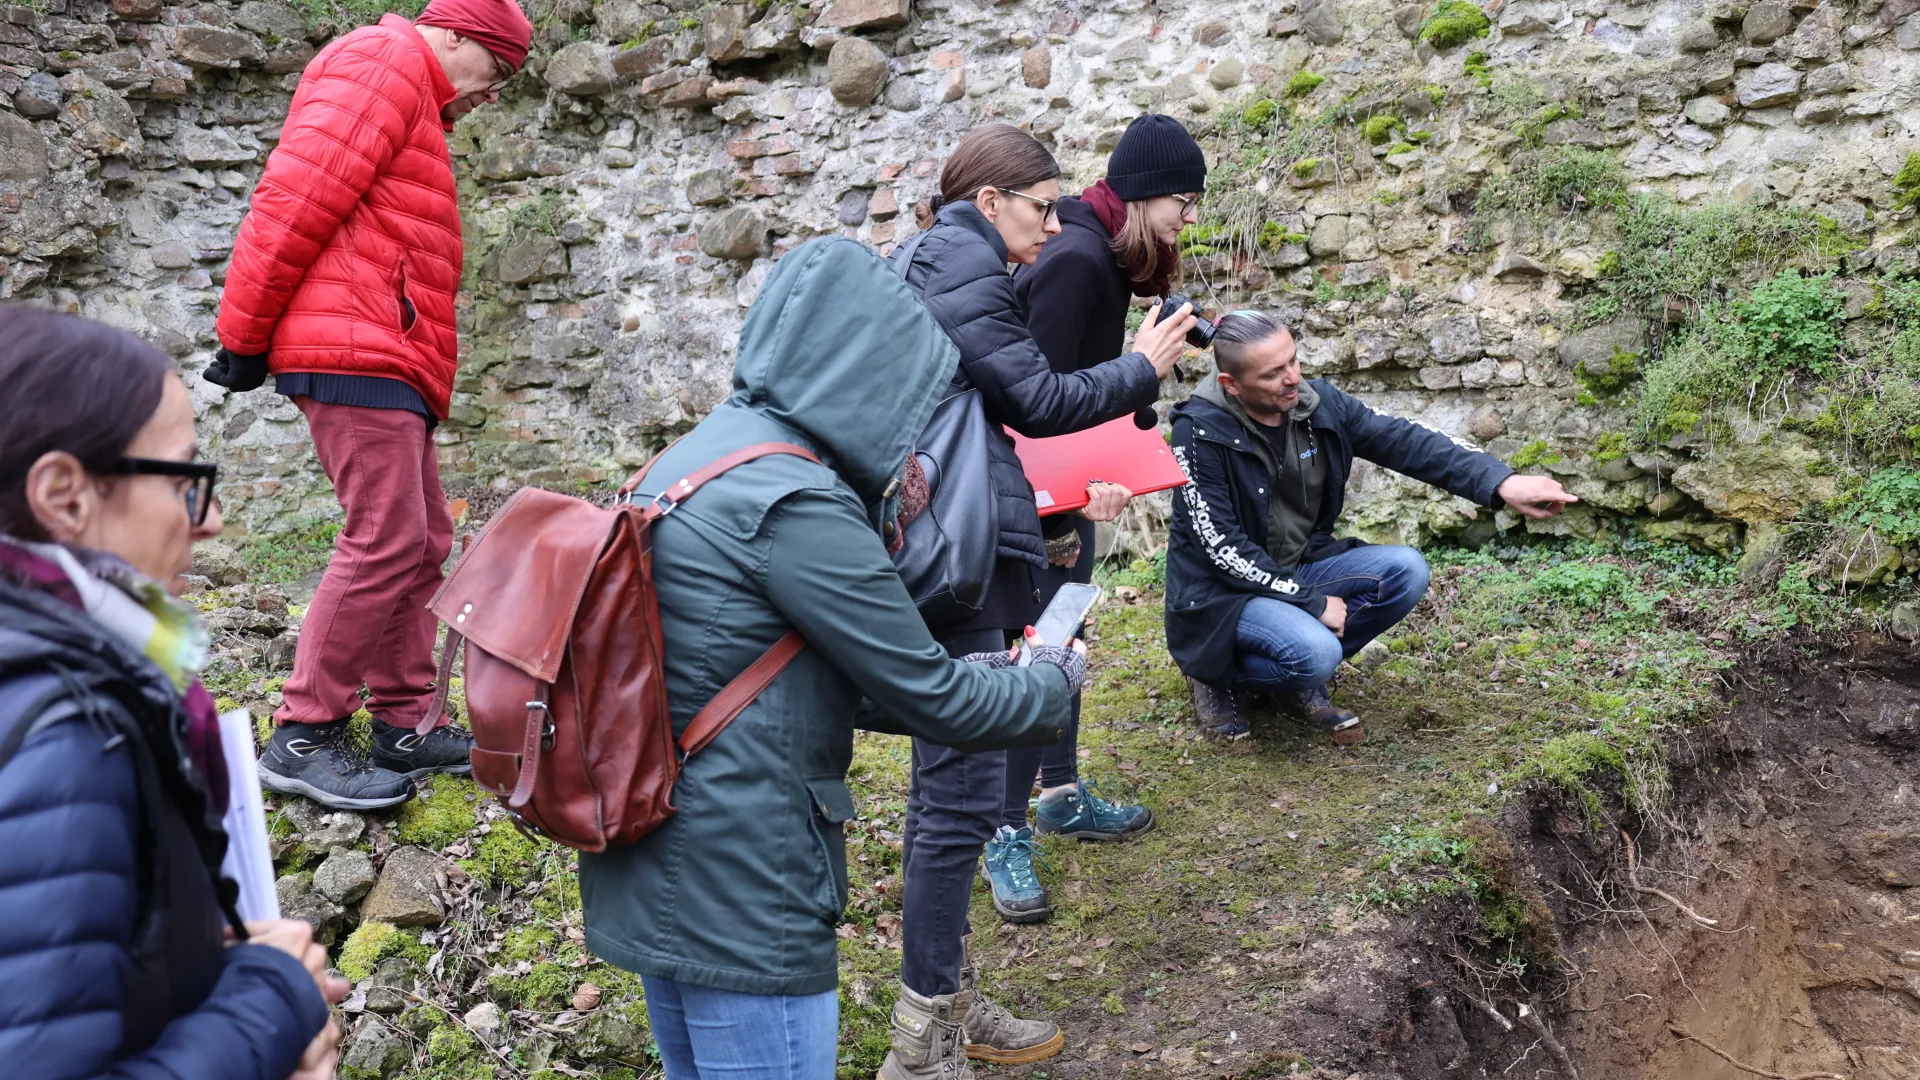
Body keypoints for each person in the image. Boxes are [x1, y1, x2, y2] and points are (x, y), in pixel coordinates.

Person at [577, 236, 1086, 1080]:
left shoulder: (690, 460)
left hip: (648, 842)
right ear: (868, 370)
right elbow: (934, 700)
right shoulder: (795, 498)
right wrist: (1048, 686)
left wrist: (986, 675)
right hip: (743, 877)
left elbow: (789, 672)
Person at [882, 123, 1197, 1079]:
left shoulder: (928, 263)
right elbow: (1037, 403)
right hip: (954, 555)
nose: (1055, 224)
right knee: (957, 794)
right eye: (1041, 205)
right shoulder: (969, 271)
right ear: (990, 204)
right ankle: (922, 1038)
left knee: (959, 788)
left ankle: (943, 997)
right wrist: (1142, 368)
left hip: (952, 536)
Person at [0, 306, 348, 1079]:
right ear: (64, 495)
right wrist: (271, 1002)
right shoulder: (71, 738)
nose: (213, 521)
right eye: (188, 478)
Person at [208, 0, 533, 810]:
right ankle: (302, 734)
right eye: (495, 71)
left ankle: (404, 724)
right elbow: (292, 202)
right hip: (352, 344)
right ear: (455, 32)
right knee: (385, 535)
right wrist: (243, 337)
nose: (492, 94)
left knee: (422, 538)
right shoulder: (379, 64)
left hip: (386, 347)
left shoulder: (412, 94)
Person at [987, 114, 1208, 924]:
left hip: (1065, 484)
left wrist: (1101, 469)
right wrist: (1063, 503)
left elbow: (1078, 386)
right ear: (1145, 193)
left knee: (1066, 630)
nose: (1188, 219)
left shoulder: (1100, 249)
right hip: (1026, 494)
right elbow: (1025, 400)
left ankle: (1062, 794)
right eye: (1183, 201)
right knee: (1035, 646)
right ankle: (1003, 828)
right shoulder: (1079, 259)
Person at [1167, 312, 1579, 738]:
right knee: (1317, 652)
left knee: (1406, 571)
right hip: (1224, 593)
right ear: (1230, 384)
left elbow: (1406, 440)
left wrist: (1502, 482)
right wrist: (1311, 601)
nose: (1293, 378)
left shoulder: (1318, 405)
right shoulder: (1198, 432)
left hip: (1299, 564)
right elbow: (1221, 547)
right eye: (1273, 373)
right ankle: (1217, 676)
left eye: (1293, 360)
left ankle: (1290, 681)